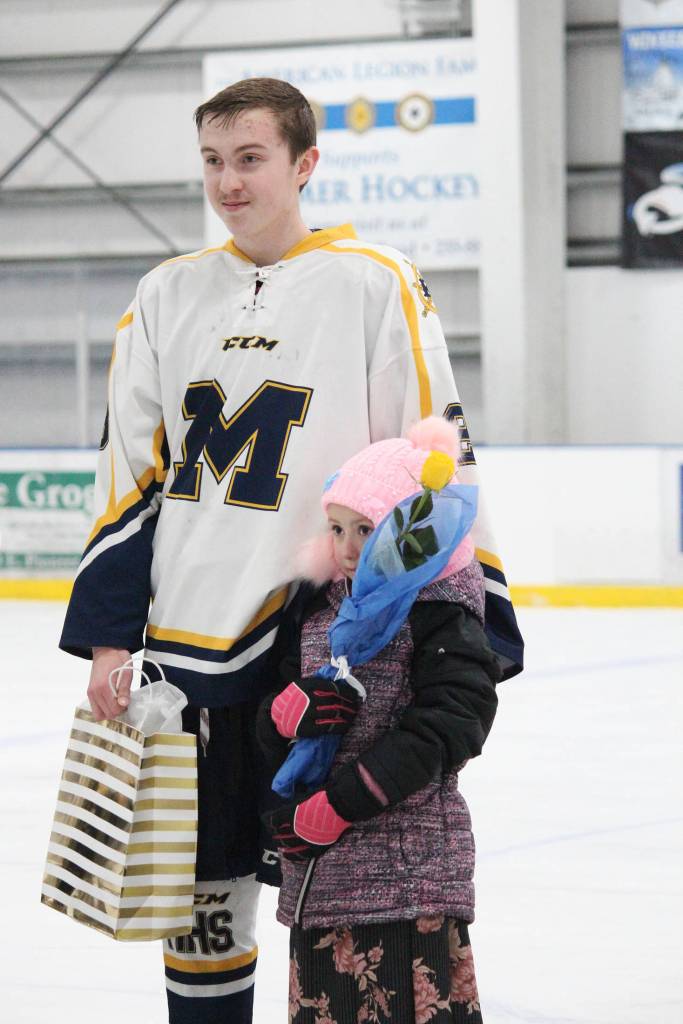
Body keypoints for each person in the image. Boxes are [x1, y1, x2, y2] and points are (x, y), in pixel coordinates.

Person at [59, 77, 523, 1024]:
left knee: (342, 908)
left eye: (250, 158)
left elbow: (431, 452)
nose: (228, 181)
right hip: (187, 650)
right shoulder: (164, 293)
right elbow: (129, 473)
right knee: (201, 906)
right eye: (212, 161)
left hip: (320, 646)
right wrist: (110, 636)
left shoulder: (372, 281)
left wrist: (464, 613)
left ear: (304, 163)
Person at [258, 417, 500, 1024]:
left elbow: (452, 722)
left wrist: (342, 803)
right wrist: (285, 715)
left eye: (367, 529)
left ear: (409, 530)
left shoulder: (441, 609)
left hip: (408, 882)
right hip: (322, 884)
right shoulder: (322, 610)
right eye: (338, 528)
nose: (346, 547)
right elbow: (272, 725)